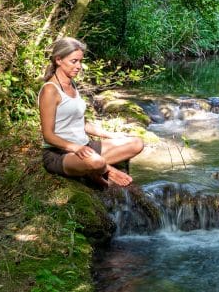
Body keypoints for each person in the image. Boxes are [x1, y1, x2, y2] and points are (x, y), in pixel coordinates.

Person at [39, 37, 144, 188]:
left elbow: (82, 123)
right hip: (60, 154)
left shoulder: (72, 84)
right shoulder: (50, 90)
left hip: (85, 146)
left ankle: (92, 169)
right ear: (59, 60)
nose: (79, 66)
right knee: (97, 161)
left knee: (136, 143)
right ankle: (107, 171)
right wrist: (75, 148)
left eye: (80, 61)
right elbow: (48, 136)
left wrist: (112, 135)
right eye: (74, 61)